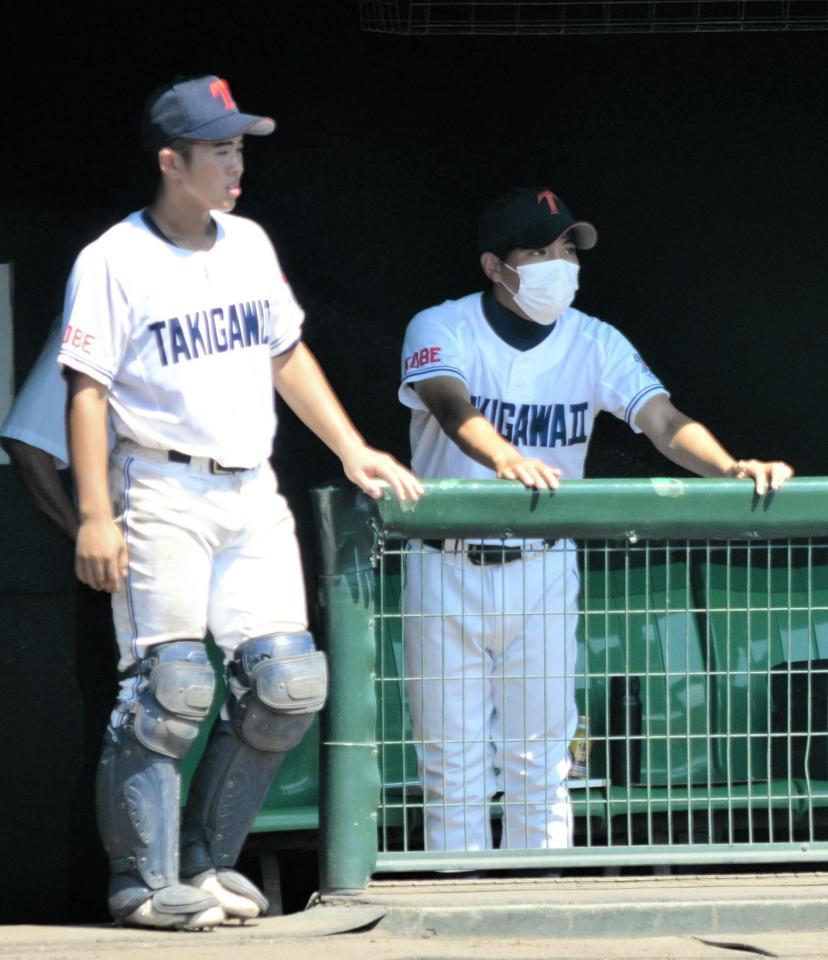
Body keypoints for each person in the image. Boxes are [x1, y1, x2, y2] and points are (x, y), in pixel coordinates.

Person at [58, 75, 423, 931]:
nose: (235, 164)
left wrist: (351, 447)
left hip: (251, 485)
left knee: (291, 683)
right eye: (220, 150)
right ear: (171, 162)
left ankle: (206, 862)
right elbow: (85, 393)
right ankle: (140, 883)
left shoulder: (250, 241)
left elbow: (285, 356)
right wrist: (93, 514)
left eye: (239, 148)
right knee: (171, 688)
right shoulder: (114, 257)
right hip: (161, 485)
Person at [398, 186, 793, 856]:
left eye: (566, 248)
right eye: (539, 250)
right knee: (453, 769)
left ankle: (538, 919)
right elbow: (450, 405)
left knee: (541, 763)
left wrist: (729, 469)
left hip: (544, 565)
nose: (560, 261)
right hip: (446, 564)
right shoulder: (441, 325)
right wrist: (504, 457)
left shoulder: (595, 340)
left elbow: (662, 423)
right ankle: (457, 923)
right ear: (496, 266)